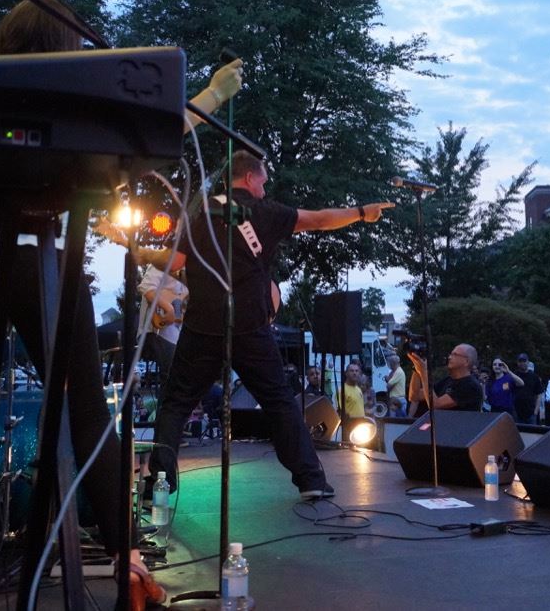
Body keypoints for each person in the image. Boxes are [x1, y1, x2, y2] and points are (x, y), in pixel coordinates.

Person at [0, 0, 240, 610]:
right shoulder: (69, 101)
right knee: (87, 412)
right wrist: (210, 95)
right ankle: (128, 559)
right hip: (42, 260)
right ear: (67, 48)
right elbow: (142, 136)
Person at [145, 150, 394, 502]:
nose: (264, 189)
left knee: (175, 404)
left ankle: (159, 484)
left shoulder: (203, 214)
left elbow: (175, 263)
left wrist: (139, 251)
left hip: (202, 324)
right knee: (279, 402)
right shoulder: (265, 212)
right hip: (249, 323)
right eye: (262, 181)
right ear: (249, 177)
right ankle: (310, 479)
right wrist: (361, 212)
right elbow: (320, 220)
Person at [407, 343, 484, 413]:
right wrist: (416, 369)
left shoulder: (471, 386)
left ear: (466, 361)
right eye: (451, 354)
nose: (449, 357)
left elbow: (436, 405)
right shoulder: (447, 381)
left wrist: (424, 372)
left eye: (455, 354)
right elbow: (414, 396)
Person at [510, 353, 541, 424]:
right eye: (520, 361)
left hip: (531, 414)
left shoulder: (534, 377)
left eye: (524, 361)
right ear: (517, 363)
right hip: (516, 413)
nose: (522, 363)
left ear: (528, 362)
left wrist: (535, 412)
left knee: (532, 431)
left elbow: (539, 395)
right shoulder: (514, 376)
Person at [384, 353, 407, 417]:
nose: (389, 365)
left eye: (390, 363)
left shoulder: (398, 372)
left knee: (397, 420)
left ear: (393, 363)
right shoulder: (395, 372)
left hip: (397, 400)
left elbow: (388, 385)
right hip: (397, 400)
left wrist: (387, 380)